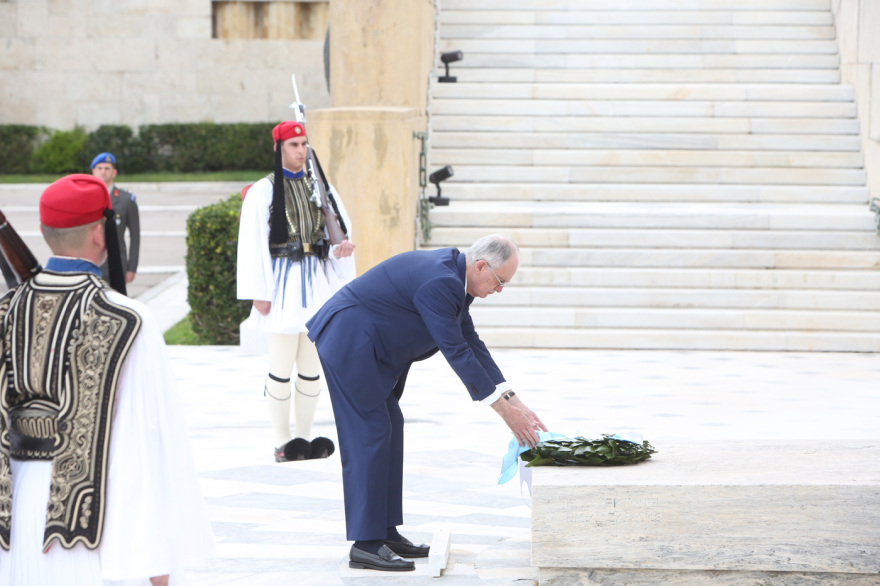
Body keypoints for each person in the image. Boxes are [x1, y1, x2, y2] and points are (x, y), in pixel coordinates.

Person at [0, 174, 213, 585]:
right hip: (96, 523)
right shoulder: (127, 319)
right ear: (100, 233)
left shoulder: (7, 308)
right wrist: (156, 562)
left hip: (16, 520)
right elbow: (144, 443)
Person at [306, 234, 547, 571]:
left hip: (368, 348)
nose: (500, 289)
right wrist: (505, 413)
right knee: (371, 433)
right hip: (348, 341)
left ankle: (385, 532)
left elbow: (471, 341)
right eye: (500, 280)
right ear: (481, 266)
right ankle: (366, 544)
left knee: (391, 426)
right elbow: (456, 351)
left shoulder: (457, 279)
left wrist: (514, 399)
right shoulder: (442, 282)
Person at [237, 120, 356, 463]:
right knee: (280, 366)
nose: (301, 150)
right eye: (293, 145)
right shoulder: (263, 190)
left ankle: (303, 438)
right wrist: (258, 291)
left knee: (311, 367)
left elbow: (333, 235)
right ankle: (281, 440)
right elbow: (252, 244)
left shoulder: (320, 188)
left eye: (304, 144)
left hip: (315, 283)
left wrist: (340, 251)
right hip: (282, 285)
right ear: (278, 148)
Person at [90, 152, 140, 285]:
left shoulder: (126, 200)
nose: (103, 172)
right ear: (93, 171)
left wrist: (131, 268)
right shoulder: (86, 198)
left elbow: (135, 236)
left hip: (117, 262)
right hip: (91, 262)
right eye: (99, 168)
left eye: (107, 168)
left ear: (114, 172)